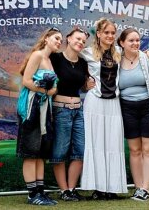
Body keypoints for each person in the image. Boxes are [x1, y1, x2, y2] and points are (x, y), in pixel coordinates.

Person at [80, 18, 127, 199]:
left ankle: (112, 187)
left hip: (114, 103)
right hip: (94, 102)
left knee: (113, 144)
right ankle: (98, 188)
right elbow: (69, 62)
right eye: (106, 32)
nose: (110, 36)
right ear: (98, 34)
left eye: (112, 33)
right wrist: (84, 82)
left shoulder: (120, 53)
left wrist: (148, 53)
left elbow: (137, 53)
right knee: (96, 144)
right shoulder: (87, 53)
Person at [117, 28, 149, 201]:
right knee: (134, 150)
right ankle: (138, 188)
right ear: (122, 43)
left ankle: (146, 189)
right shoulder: (116, 60)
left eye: (137, 40)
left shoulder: (148, 58)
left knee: (148, 149)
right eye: (131, 40)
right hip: (126, 108)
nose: (135, 43)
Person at [16, 28, 62, 206]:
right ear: (47, 38)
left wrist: (51, 91)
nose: (59, 41)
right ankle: (32, 194)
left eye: (61, 40)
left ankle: (40, 192)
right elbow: (26, 80)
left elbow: (55, 87)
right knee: (31, 152)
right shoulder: (37, 55)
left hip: (45, 107)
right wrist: (44, 91)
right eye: (56, 38)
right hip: (32, 107)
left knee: (41, 152)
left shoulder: (50, 61)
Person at [49, 27, 93, 201]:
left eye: (83, 40)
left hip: (78, 110)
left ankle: (71, 188)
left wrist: (87, 86)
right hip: (60, 110)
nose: (80, 42)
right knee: (59, 152)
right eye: (77, 38)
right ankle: (63, 190)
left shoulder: (83, 63)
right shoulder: (56, 58)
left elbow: (81, 86)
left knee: (80, 152)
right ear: (68, 38)